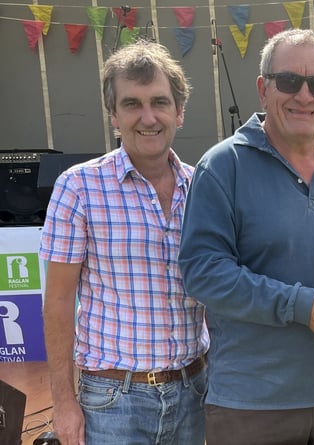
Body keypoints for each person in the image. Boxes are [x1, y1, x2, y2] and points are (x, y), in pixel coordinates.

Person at [177, 29, 314, 445]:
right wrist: (302, 306)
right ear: (263, 88)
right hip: (254, 407)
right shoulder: (223, 167)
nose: (304, 96)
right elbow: (203, 274)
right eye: (289, 81)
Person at [39, 40, 208, 445]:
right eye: (132, 104)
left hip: (194, 391)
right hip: (112, 401)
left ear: (179, 111)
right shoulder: (78, 187)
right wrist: (63, 403)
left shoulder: (203, 187)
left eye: (160, 102)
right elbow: (59, 301)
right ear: (113, 115)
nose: (148, 117)